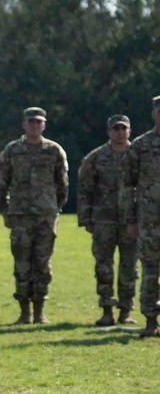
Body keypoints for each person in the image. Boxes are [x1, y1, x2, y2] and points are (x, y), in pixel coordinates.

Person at [0, 107, 69, 324]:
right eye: (31, 122)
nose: (34, 126)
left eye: (39, 122)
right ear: (24, 125)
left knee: (42, 263)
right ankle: (24, 312)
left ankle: (39, 311)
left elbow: (62, 184)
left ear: (44, 125)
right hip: (20, 215)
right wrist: (5, 211)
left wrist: (55, 207)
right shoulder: (12, 150)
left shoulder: (54, 150)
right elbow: (3, 183)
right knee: (21, 263)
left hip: (46, 215)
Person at [78, 115, 137, 327]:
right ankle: (106, 310)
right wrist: (86, 218)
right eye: (116, 128)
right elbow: (85, 189)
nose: (120, 132)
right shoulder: (96, 157)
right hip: (104, 220)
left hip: (132, 219)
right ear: (108, 131)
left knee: (129, 266)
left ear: (129, 131)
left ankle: (125, 311)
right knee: (104, 266)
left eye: (123, 128)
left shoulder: (138, 154)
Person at [122, 95, 160, 337]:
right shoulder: (141, 145)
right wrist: (131, 219)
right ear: (154, 114)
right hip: (150, 220)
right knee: (150, 269)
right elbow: (128, 184)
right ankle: (150, 320)